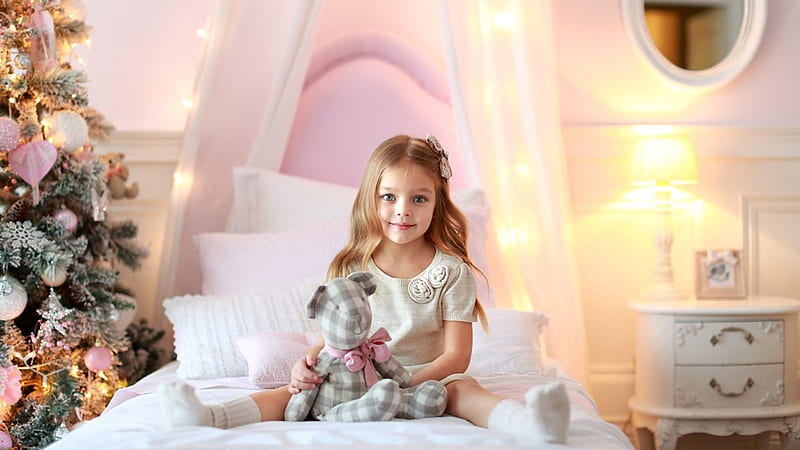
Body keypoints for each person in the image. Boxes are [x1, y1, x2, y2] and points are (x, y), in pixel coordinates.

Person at [159, 135, 570, 444]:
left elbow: (456, 355)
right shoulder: (350, 265)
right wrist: (306, 364)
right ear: (372, 200)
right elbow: (326, 342)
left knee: (465, 390)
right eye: (389, 196)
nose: (402, 210)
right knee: (289, 395)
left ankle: (532, 424)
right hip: (352, 381)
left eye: (419, 199)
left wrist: (404, 383)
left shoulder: (451, 272)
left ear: (438, 202)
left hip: (424, 382)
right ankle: (209, 416)